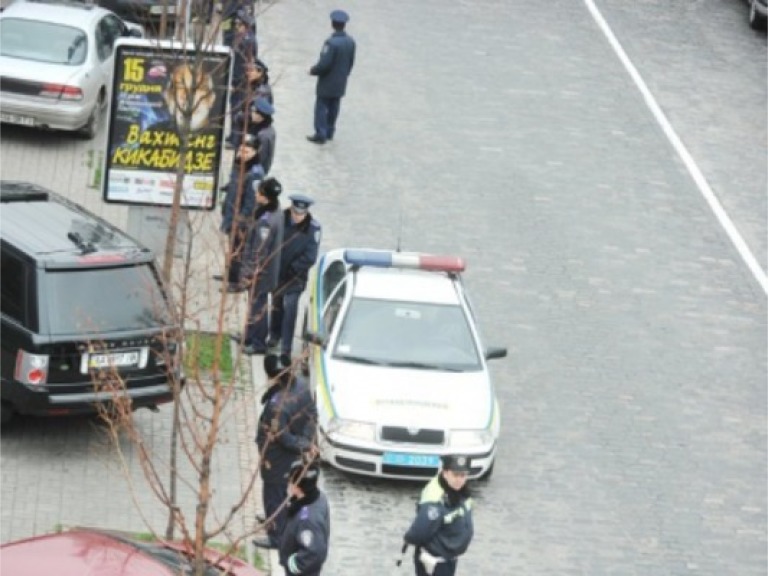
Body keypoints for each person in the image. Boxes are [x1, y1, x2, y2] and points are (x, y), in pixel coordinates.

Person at [253, 354, 318, 550]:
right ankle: (276, 517)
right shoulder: (302, 388)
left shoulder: (277, 406)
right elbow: (312, 415)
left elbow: (283, 438)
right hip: (291, 456)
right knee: (281, 491)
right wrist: (306, 440)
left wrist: (303, 444)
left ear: (272, 377)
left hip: (275, 457)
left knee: (273, 493)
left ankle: (276, 536)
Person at [403, 455, 474, 576]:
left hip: (449, 558)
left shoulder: (460, 491)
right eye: (455, 475)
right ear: (445, 473)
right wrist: (409, 538)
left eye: (463, 475)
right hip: (434, 562)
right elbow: (420, 531)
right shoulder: (435, 500)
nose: (459, 480)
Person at [269, 194, 321, 358]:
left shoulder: (313, 229)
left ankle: (286, 347)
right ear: (291, 209)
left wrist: (294, 268)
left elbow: (311, 257)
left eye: (301, 214)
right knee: (276, 305)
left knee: (290, 308)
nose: (297, 217)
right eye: (295, 213)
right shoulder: (280, 220)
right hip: (278, 273)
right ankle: (274, 335)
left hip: (295, 277)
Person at [240, 178, 284, 354]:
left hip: (261, 272)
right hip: (268, 271)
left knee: (258, 307)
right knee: (255, 305)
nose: (256, 194)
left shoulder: (266, 221)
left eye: (258, 192)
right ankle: (248, 336)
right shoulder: (277, 211)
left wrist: (249, 273)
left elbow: (259, 251)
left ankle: (258, 343)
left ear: (265, 197)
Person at [220, 134, 265, 292]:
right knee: (233, 248)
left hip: (241, 220)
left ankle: (237, 282)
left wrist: (240, 221)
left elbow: (251, 202)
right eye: (241, 149)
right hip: (232, 213)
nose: (242, 153)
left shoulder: (255, 173)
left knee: (239, 250)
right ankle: (230, 275)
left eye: (246, 151)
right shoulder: (240, 165)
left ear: (254, 152)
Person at [306, 9, 356, 144]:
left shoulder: (331, 43)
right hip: (341, 81)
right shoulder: (351, 42)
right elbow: (351, 62)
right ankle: (330, 132)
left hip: (327, 82)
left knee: (321, 107)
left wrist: (313, 70)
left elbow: (324, 64)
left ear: (333, 24)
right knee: (335, 107)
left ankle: (320, 134)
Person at [278, 458, 331, 576]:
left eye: (290, 481)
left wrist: (293, 565)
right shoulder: (318, 497)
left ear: (298, 487)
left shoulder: (308, 520)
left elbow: (314, 553)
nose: (289, 484)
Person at [226, 9, 257, 146]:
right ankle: (233, 135)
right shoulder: (242, 38)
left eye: (238, 24)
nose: (236, 26)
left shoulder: (247, 41)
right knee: (234, 108)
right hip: (238, 79)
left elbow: (243, 64)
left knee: (237, 109)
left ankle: (235, 139)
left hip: (241, 81)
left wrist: (235, 82)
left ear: (244, 25)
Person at [247, 97, 276, 175]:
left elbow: (260, 158)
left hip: (254, 172)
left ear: (260, 116)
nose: (251, 113)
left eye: (254, 112)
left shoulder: (264, 135)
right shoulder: (263, 127)